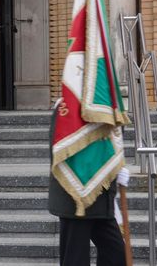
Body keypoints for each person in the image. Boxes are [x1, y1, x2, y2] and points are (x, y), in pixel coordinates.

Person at [48, 100, 128, 266]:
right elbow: (65, 150)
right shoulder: (66, 104)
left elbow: (112, 134)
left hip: (100, 197)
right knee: (76, 259)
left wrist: (115, 165)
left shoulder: (104, 99)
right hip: (75, 197)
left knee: (116, 254)